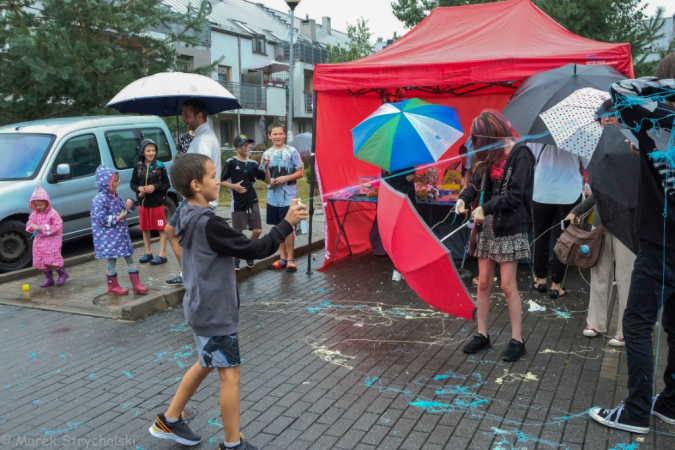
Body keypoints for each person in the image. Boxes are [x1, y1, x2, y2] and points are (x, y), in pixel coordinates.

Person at [148, 153, 307, 449]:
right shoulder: (209, 223)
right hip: (214, 310)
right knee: (230, 375)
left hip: (201, 305)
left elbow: (169, 231)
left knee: (207, 362)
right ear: (196, 185)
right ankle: (232, 444)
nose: (218, 182)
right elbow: (255, 249)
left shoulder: (184, 210)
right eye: (212, 177)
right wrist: (286, 224)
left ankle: (169, 419)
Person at [589, 54, 675, 434]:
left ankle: (637, 410)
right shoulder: (654, 123)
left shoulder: (656, 118)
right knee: (673, 325)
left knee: (637, 323)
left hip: (661, 243)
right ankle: (670, 402)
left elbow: (619, 91)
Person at [456, 110, 535, 362]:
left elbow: (515, 195)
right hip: (488, 228)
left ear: (494, 134)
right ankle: (482, 334)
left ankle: (517, 340)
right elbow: (475, 183)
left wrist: (484, 207)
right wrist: (463, 199)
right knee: (483, 283)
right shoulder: (491, 154)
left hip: (510, 228)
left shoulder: (521, 154)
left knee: (508, 286)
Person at [565, 100, 635, 347]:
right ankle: (595, 322)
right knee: (599, 270)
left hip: (629, 222)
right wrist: (579, 209)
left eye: (612, 115)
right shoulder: (597, 145)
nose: (607, 119)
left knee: (626, 277)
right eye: (603, 116)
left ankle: (626, 330)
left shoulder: (635, 142)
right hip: (602, 219)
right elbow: (598, 190)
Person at [165, 99, 221, 285]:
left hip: (196, 199)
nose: (183, 119)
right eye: (182, 114)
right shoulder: (201, 136)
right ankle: (187, 273)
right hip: (195, 198)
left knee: (177, 234)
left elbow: (201, 170)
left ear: (199, 115)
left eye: (187, 115)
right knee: (173, 232)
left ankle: (190, 274)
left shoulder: (204, 139)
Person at [529, 141, 587, 299]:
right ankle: (556, 285)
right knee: (563, 239)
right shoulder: (579, 135)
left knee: (540, 236)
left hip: (542, 191)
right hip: (569, 194)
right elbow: (587, 161)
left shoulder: (537, 134)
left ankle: (540, 280)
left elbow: (531, 159)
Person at [91, 166, 148, 295]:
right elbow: (101, 218)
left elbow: (123, 211)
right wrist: (117, 218)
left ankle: (136, 284)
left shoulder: (115, 196)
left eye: (117, 181)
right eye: (114, 181)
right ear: (105, 183)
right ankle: (113, 286)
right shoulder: (100, 199)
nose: (117, 184)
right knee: (112, 260)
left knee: (130, 258)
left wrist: (129, 205)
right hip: (110, 238)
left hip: (121, 236)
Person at [260, 122, 304, 272]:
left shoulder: (292, 151)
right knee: (277, 227)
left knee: (288, 228)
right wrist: (269, 179)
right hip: (272, 198)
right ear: (270, 136)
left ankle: (291, 259)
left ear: (285, 135)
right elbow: (264, 178)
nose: (278, 136)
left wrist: (285, 178)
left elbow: (300, 172)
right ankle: (282, 258)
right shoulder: (266, 154)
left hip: (288, 198)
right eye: (275, 134)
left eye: (280, 133)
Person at [220, 134, 266, 271]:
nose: (247, 147)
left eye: (248, 145)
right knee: (238, 233)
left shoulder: (252, 164)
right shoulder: (231, 162)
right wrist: (234, 186)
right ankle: (236, 257)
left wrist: (267, 167)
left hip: (252, 200)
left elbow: (265, 178)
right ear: (236, 149)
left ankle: (247, 250)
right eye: (243, 145)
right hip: (238, 202)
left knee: (257, 230)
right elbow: (221, 181)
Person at [130, 139, 171, 265]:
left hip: (158, 204)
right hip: (143, 204)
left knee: (161, 228)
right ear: (143, 152)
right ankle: (148, 253)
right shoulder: (138, 167)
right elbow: (133, 184)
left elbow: (166, 184)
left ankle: (162, 254)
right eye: (148, 150)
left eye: (153, 150)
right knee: (145, 228)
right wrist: (139, 189)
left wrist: (155, 187)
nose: (151, 153)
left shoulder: (160, 166)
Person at [26, 186, 68, 287]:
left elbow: (57, 226)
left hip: (51, 241)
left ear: (47, 202)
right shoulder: (34, 215)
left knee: (52, 258)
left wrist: (42, 228)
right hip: (39, 242)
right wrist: (32, 227)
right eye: (36, 205)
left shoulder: (53, 214)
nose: (38, 207)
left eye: (40, 204)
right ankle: (49, 278)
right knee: (41, 260)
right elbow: (29, 224)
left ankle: (62, 274)